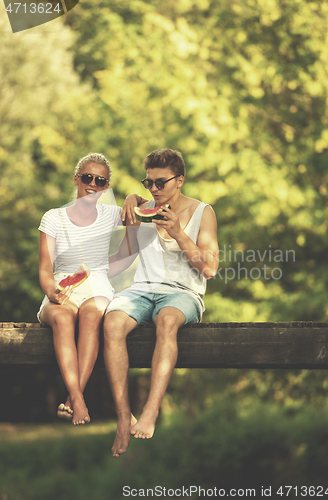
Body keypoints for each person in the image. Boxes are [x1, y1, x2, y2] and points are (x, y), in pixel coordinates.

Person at [103, 148, 219, 457]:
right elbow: (125, 256)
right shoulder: (144, 208)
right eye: (148, 183)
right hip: (142, 290)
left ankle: (151, 409)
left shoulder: (202, 212)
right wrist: (85, 272)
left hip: (183, 293)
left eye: (160, 183)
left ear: (179, 180)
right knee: (112, 320)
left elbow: (209, 268)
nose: (153, 190)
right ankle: (122, 417)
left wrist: (179, 233)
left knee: (166, 320)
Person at [38, 153, 145, 425]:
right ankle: (78, 398)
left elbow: (131, 242)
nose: (93, 184)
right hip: (62, 285)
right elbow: (44, 268)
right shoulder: (53, 218)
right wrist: (52, 291)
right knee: (63, 318)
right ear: (77, 179)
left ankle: (73, 399)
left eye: (100, 180)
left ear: (106, 187)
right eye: (87, 177)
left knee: (92, 314)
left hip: (97, 284)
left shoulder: (111, 214)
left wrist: (133, 198)